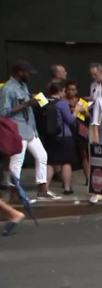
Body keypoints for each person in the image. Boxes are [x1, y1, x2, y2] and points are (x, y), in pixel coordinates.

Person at [0, 60, 60, 201]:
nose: (30, 75)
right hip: (18, 130)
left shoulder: (23, 85)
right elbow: (3, 112)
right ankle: (14, 193)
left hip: (30, 129)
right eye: (27, 72)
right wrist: (27, 103)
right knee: (17, 162)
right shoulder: (8, 89)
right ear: (20, 72)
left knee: (42, 156)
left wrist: (32, 99)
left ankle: (42, 189)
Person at [44, 82, 81, 194]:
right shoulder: (62, 104)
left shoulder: (45, 102)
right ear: (61, 91)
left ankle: (44, 188)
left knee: (50, 163)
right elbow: (70, 120)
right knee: (66, 162)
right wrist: (76, 111)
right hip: (64, 136)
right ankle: (67, 188)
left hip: (49, 136)